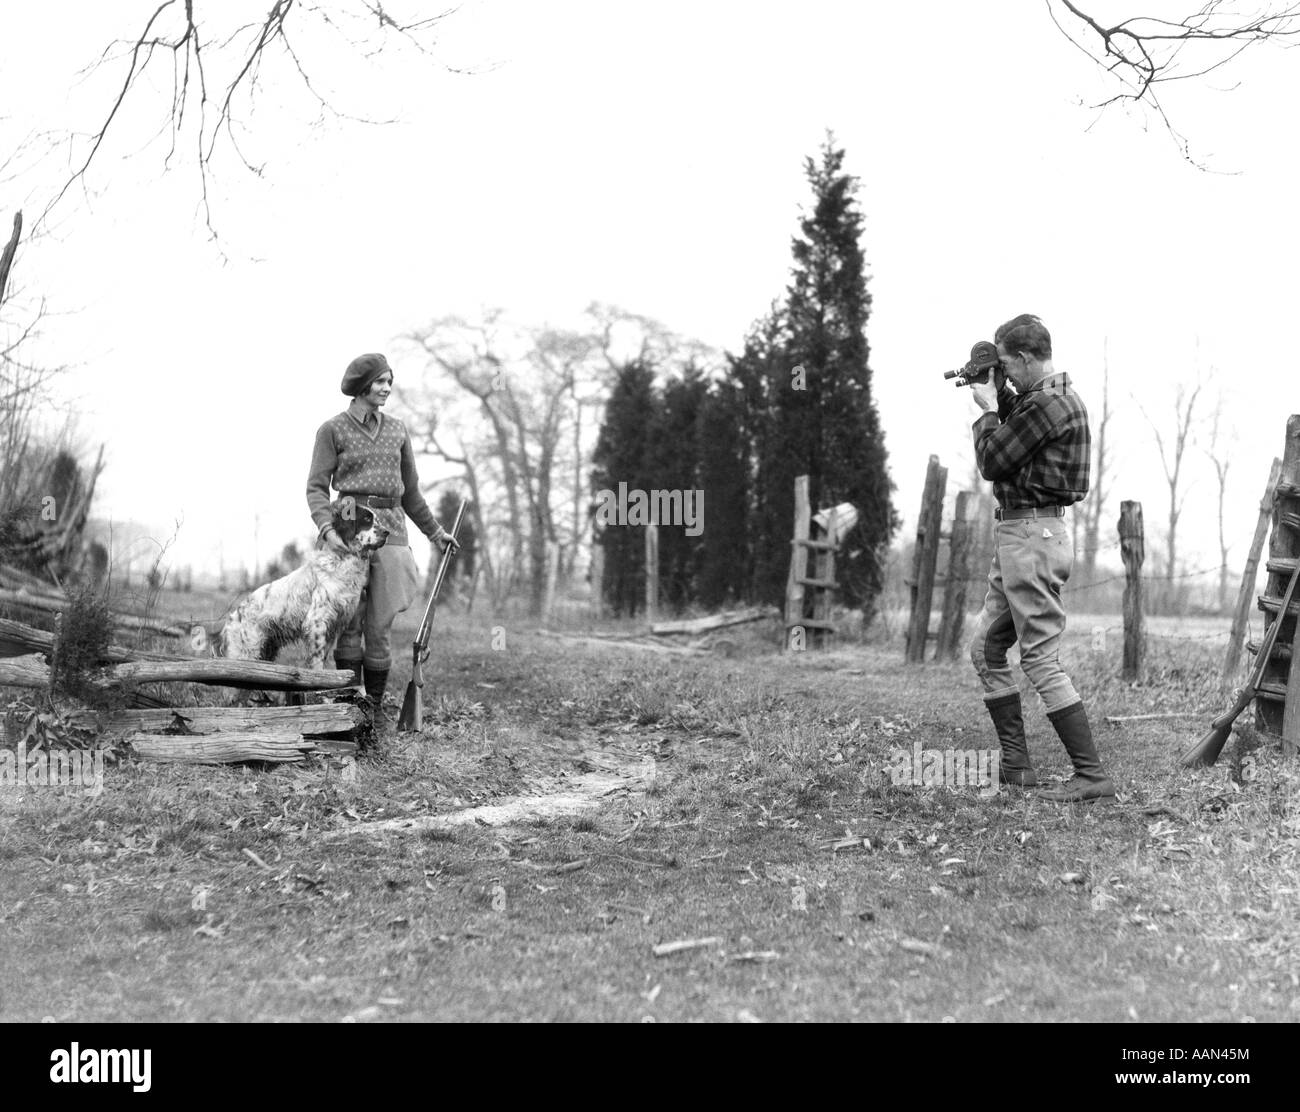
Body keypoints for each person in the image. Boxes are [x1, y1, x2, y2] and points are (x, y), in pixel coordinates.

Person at [967, 314, 1115, 803]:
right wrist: (1000, 397)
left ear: (1026, 358)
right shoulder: (1046, 401)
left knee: (1039, 658)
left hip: (1030, 535)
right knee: (986, 649)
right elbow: (1022, 437)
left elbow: (994, 459)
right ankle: (1017, 766)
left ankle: (1091, 775)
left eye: (1007, 365)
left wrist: (988, 408)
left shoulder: (1048, 403)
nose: (1004, 374)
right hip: (1022, 534)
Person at [306, 352, 457, 728]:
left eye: (390, 381)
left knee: (379, 626)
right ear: (361, 387)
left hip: (391, 532)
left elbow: (412, 493)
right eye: (380, 381)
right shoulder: (332, 430)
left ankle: (371, 712)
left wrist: (436, 533)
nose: (387, 388)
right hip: (346, 534)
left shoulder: (398, 430)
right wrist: (327, 530)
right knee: (348, 623)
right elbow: (316, 488)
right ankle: (347, 708)